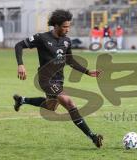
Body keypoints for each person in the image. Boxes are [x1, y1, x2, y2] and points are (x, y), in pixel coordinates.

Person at [13, 9, 103, 148]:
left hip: (58, 79)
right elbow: (19, 45)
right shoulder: (42, 38)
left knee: (51, 106)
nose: (68, 29)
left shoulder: (67, 41)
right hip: (45, 78)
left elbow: (70, 60)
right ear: (56, 25)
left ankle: (22, 100)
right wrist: (20, 65)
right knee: (69, 103)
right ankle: (92, 136)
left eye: (69, 26)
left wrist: (87, 71)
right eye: (65, 26)